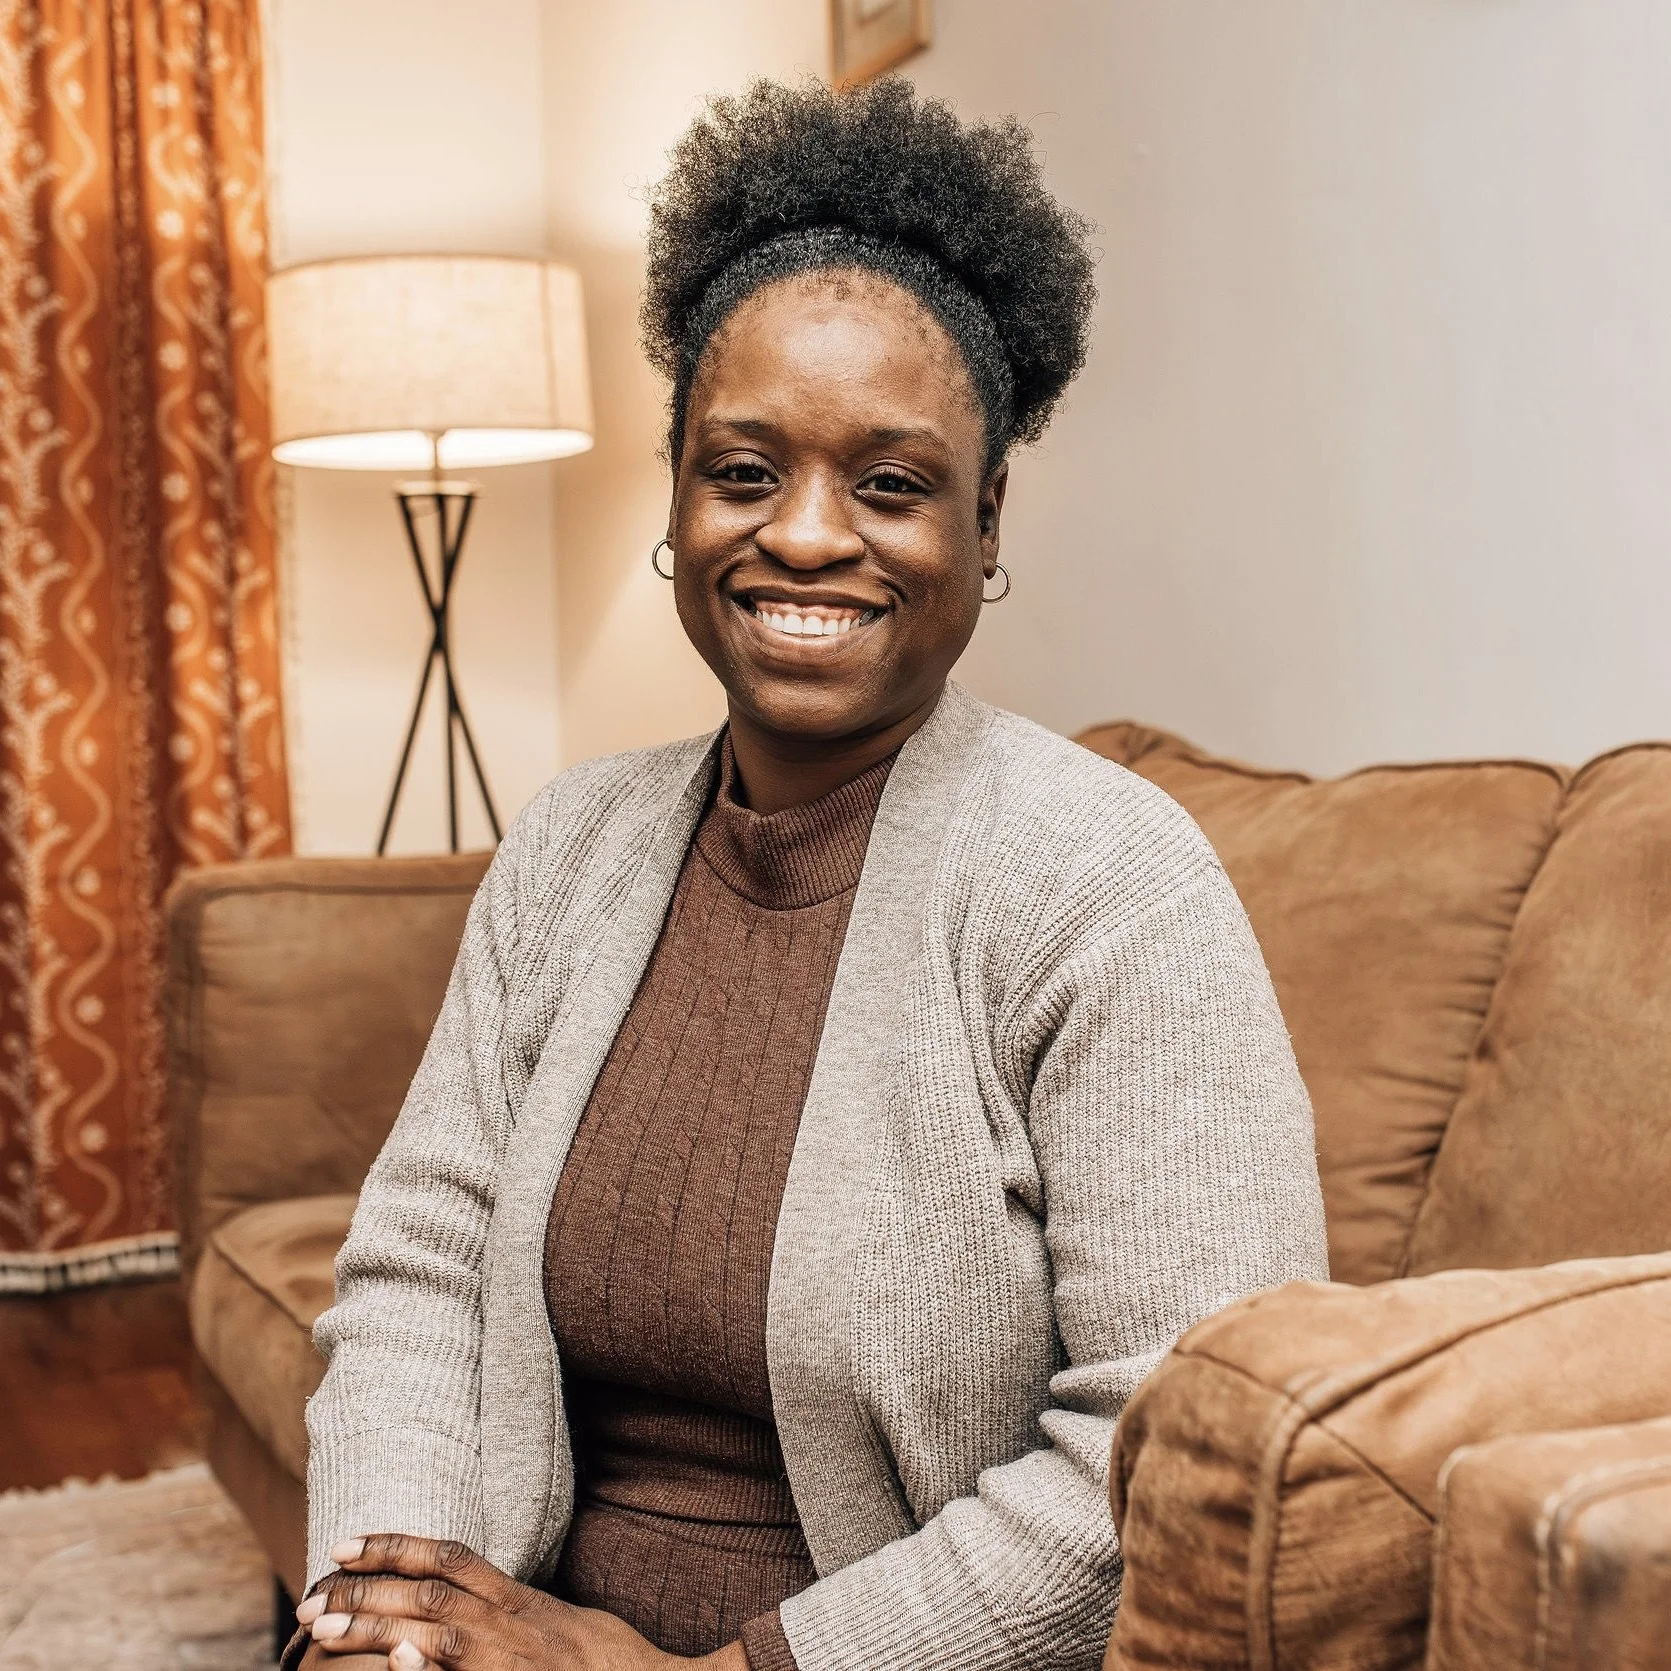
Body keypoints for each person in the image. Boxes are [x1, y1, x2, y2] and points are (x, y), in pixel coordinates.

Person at [291, 76, 1327, 1671]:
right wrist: (387, 1611)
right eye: (744, 470)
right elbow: (418, 1272)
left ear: (985, 524)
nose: (805, 536)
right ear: (678, 494)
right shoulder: (569, 846)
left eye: (890, 485)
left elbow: (1174, 1438)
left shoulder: (1108, 885)